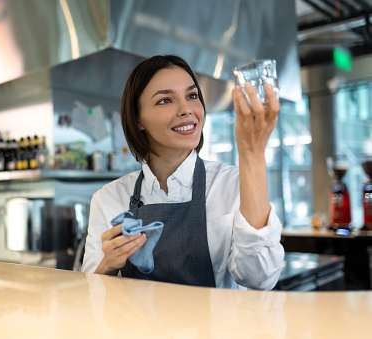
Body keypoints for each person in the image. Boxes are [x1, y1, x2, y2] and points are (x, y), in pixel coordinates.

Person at [81, 55, 284, 290]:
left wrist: (252, 153)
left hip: (215, 328)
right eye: (165, 100)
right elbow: (91, 297)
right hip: (140, 328)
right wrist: (107, 265)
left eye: (192, 96)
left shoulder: (234, 184)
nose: (186, 109)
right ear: (138, 120)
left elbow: (260, 279)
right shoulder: (108, 199)